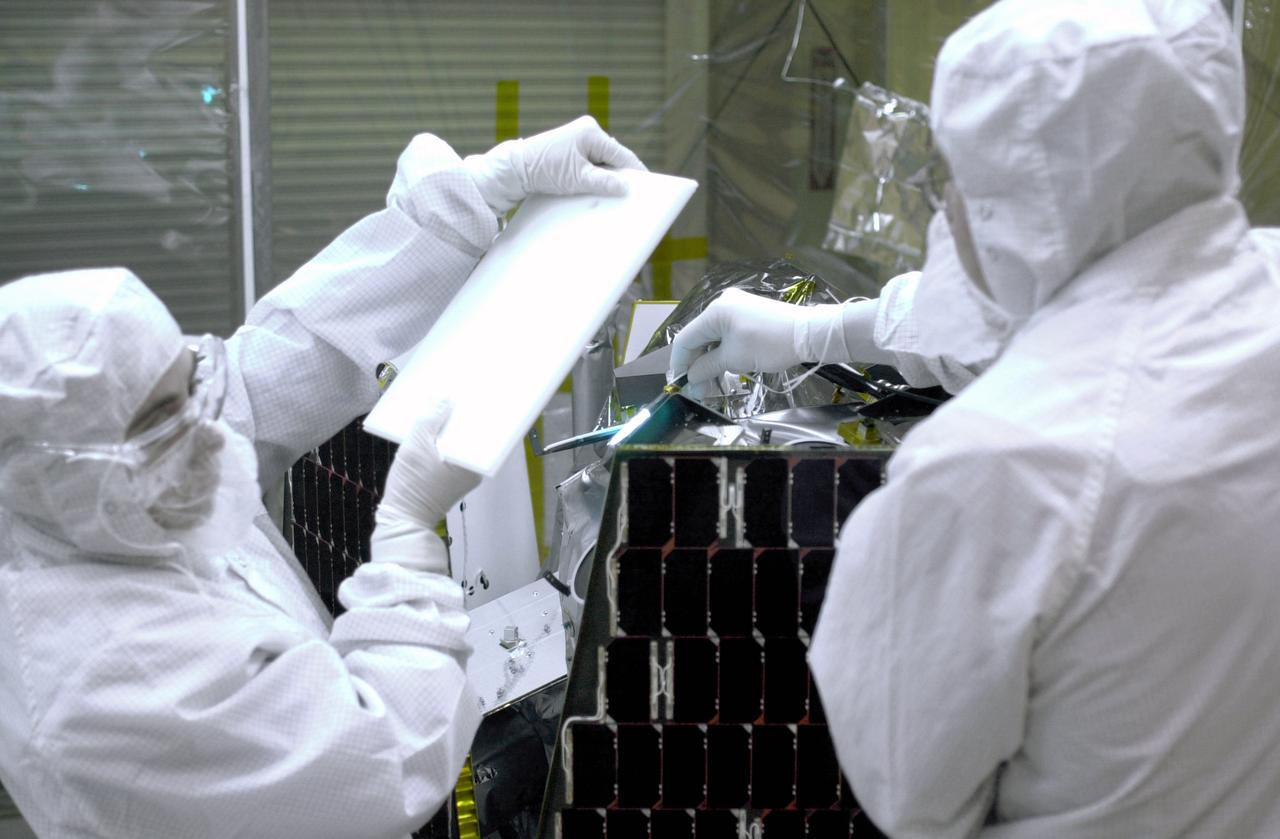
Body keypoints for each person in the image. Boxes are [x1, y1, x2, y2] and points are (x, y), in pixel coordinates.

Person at [669, 1, 1280, 836]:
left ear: (1009, 202)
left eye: (959, 175)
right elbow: (1055, 301)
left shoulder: (994, 468)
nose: (943, 205)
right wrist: (819, 329)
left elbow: (907, 791)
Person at [0, 115, 644, 838]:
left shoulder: (103, 490)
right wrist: (405, 538)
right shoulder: (106, 677)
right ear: (66, 473)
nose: (204, 422)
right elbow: (382, 762)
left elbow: (281, 359)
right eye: (164, 413)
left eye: (190, 380)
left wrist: (481, 188)